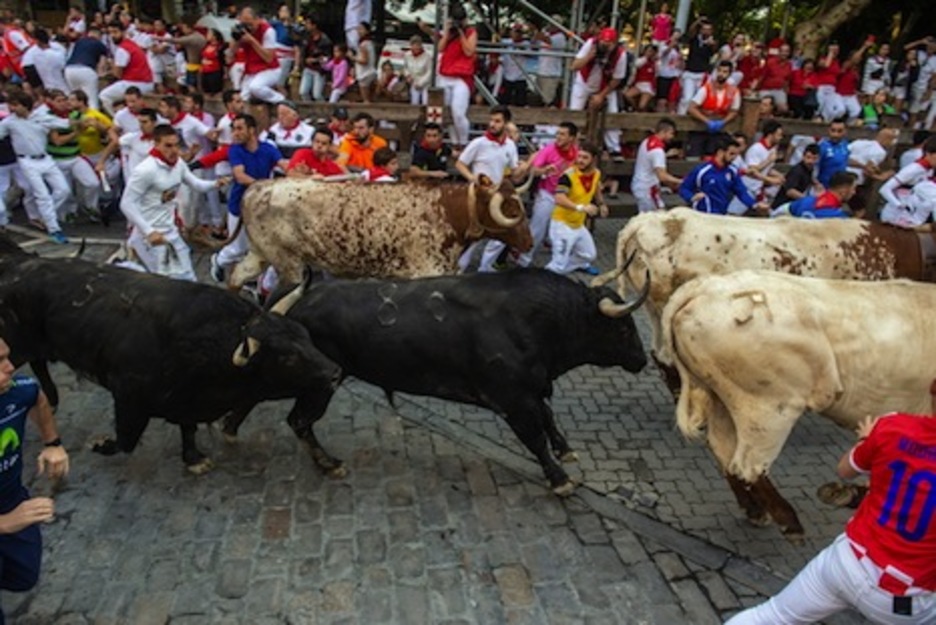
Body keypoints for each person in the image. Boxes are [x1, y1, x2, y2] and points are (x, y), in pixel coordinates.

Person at [726, 403, 936, 624]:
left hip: (847, 562)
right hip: (907, 598)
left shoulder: (892, 424)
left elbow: (844, 470)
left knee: (771, 615)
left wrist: (866, 440)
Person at [0, 338, 70, 625]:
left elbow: (37, 398)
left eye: (7, 357)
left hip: (11, 498)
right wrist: (4, 523)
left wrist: (53, 443)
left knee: (24, 574)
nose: (10, 367)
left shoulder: (18, 390)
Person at [120, 124, 225, 280]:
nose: (174, 150)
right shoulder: (145, 170)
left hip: (170, 232)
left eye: (176, 145)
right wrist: (149, 231)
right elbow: (126, 204)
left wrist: (216, 184)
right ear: (156, 144)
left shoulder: (178, 164)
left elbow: (196, 184)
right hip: (150, 238)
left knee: (188, 278)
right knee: (165, 283)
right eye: (168, 146)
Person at [210, 114, 289, 284]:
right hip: (240, 206)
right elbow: (240, 176)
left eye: (239, 129)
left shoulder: (268, 149)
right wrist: (264, 187)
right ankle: (218, 260)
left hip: (262, 207)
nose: (235, 133)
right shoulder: (235, 150)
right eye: (233, 129)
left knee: (262, 247)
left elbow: (284, 165)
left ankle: (257, 282)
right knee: (237, 250)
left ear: (252, 130)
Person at [455, 105, 527, 272]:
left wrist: (525, 167)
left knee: (501, 232)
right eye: (491, 120)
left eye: (497, 121)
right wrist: (472, 178)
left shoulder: (510, 145)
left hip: (498, 196)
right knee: (473, 233)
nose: (492, 124)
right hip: (478, 196)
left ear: (506, 123)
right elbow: (460, 164)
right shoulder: (478, 143)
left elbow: (514, 173)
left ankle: (485, 267)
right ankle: (459, 267)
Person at [0, 91, 70, 243]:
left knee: (64, 190)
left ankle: (45, 216)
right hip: (27, 162)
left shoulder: (41, 117)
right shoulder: (8, 122)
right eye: (11, 105)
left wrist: (85, 122)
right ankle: (54, 229)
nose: (12, 108)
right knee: (42, 195)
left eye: (15, 105)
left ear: (25, 105)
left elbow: (64, 123)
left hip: (46, 159)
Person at [517, 120, 579, 265]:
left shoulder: (576, 153)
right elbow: (533, 170)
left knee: (564, 230)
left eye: (562, 134)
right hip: (547, 195)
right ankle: (523, 261)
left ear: (571, 138)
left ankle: (561, 263)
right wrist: (545, 170)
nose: (558, 137)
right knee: (537, 230)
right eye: (558, 133)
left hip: (566, 197)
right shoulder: (548, 150)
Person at [544, 141, 608, 276]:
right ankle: (548, 278)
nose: (580, 160)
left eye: (585, 157)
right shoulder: (568, 175)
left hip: (578, 224)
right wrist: (580, 208)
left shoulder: (596, 173)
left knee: (589, 255)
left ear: (593, 159)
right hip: (562, 225)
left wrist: (601, 204)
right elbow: (559, 198)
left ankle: (558, 271)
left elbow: (596, 188)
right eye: (579, 156)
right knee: (558, 264)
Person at [569, 27, 626, 155]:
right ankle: (571, 144)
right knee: (575, 111)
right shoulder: (591, 44)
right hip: (584, 82)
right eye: (603, 43)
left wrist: (601, 95)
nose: (604, 47)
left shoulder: (620, 55)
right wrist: (589, 56)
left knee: (612, 113)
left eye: (608, 44)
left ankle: (614, 148)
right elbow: (574, 66)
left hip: (605, 85)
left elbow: (617, 79)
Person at [678, 135, 769, 215]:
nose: (734, 158)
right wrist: (691, 197)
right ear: (720, 152)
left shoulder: (732, 171)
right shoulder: (702, 170)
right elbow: (684, 188)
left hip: (721, 216)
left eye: (736, 155)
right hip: (702, 215)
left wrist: (754, 204)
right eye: (731, 154)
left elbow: (741, 192)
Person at [426, 4, 476, 148]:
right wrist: (447, 32)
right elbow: (440, 48)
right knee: (446, 112)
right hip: (445, 75)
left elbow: (469, 51)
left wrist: (461, 33)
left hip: (461, 77)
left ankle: (463, 142)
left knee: (458, 113)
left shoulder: (470, 32)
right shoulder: (448, 33)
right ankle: (454, 143)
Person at [879, 136, 936, 228]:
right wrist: (899, 205)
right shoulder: (913, 169)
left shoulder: (929, 170)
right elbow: (885, 189)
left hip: (912, 216)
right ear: (928, 153)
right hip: (896, 215)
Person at [687, 60, 741, 157]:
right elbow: (692, 108)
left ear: (729, 74)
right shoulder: (706, 88)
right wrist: (707, 121)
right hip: (700, 127)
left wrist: (723, 122)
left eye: (725, 72)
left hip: (720, 129)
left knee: (714, 155)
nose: (721, 74)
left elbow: (734, 111)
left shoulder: (734, 91)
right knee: (694, 155)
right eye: (719, 71)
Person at [232, 7, 285, 105]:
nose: (248, 27)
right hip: (252, 69)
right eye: (245, 24)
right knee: (242, 98)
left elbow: (268, 58)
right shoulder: (243, 31)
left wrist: (252, 41)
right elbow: (230, 54)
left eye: (250, 24)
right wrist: (236, 38)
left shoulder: (268, 31)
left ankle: (281, 100)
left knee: (255, 87)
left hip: (270, 69)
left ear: (257, 20)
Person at [99, 22, 153, 115]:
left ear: (123, 32)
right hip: (145, 82)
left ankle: (116, 119)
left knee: (103, 96)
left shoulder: (123, 49)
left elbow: (117, 74)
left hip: (135, 82)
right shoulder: (131, 44)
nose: (113, 35)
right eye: (110, 32)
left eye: (115, 32)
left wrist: (110, 68)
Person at [631, 117, 681, 212]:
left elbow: (649, 159)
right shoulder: (658, 150)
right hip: (648, 188)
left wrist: (666, 155)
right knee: (656, 217)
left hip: (641, 184)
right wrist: (680, 181)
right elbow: (662, 176)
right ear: (664, 132)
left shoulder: (647, 141)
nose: (672, 137)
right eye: (671, 133)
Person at [774, 170, 857, 219]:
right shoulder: (838, 217)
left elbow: (776, 213)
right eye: (853, 188)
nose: (854, 192)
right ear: (843, 190)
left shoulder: (805, 201)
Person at [63, 25, 109, 111]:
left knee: (76, 98)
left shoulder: (79, 42)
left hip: (69, 69)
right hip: (86, 70)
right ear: (99, 35)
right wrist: (101, 74)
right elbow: (102, 64)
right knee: (91, 100)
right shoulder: (99, 44)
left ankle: (75, 116)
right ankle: (93, 117)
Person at [678, 17, 717, 115]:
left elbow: (713, 52)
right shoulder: (694, 39)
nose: (706, 32)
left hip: (702, 74)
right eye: (704, 29)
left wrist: (711, 45)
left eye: (708, 30)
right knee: (687, 98)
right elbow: (689, 34)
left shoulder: (712, 42)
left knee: (699, 100)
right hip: (690, 73)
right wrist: (697, 22)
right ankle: (681, 115)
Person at [770, 143, 821, 212]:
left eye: (814, 158)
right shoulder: (797, 171)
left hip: (792, 205)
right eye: (808, 157)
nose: (810, 161)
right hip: (782, 207)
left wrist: (816, 183)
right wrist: (808, 200)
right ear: (803, 156)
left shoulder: (810, 168)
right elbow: (790, 191)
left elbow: (808, 177)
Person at [298, 16, 332, 102]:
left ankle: (323, 108)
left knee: (317, 95)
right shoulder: (306, 37)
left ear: (314, 25)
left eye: (308, 23)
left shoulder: (325, 40)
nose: (306, 25)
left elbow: (327, 58)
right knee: (303, 92)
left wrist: (315, 60)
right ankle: (309, 108)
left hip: (319, 70)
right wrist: (304, 61)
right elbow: (303, 52)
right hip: (308, 68)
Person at [534, 15, 566, 107]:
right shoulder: (546, 33)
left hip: (551, 74)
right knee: (537, 99)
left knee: (548, 100)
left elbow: (548, 41)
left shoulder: (560, 37)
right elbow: (535, 42)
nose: (551, 25)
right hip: (541, 71)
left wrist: (539, 31)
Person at [758, 43, 792, 115]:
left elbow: (787, 80)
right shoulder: (770, 62)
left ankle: (773, 115)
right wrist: (756, 88)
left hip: (779, 90)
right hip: (766, 89)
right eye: (782, 51)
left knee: (784, 109)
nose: (784, 53)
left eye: (786, 51)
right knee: (765, 107)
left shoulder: (789, 65)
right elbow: (762, 76)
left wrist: (786, 92)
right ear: (779, 52)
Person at [817, 118, 850, 189]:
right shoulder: (822, 147)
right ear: (828, 130)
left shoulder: (845, 144)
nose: (835, 134)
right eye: (833, 130)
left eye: (839, 131)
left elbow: (846, 160)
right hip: (824, 187)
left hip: (840, 187)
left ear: (845, 131)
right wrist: (817, 184)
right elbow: (814, 168)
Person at [351, 21, 377, 103]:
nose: (359, 31)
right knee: (370, 99)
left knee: (366, 100)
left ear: (367, 31)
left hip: (364, 74)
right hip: (370, 72)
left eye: (361, 29)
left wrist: (352, 57)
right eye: (358, 29)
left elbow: (364, 60)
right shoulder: (370, 43)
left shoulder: (364, 44)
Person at [403, 35, 431, 106]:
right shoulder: (407, 55)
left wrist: (421, 83)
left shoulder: (427, 56)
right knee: (414, 103)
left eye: (418, 45)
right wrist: (408, 75)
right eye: (414, 45)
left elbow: (430, 72)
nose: (416, 47)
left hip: (426, 83)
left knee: (425, 102)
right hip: (414, 82)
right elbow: (405, 67)